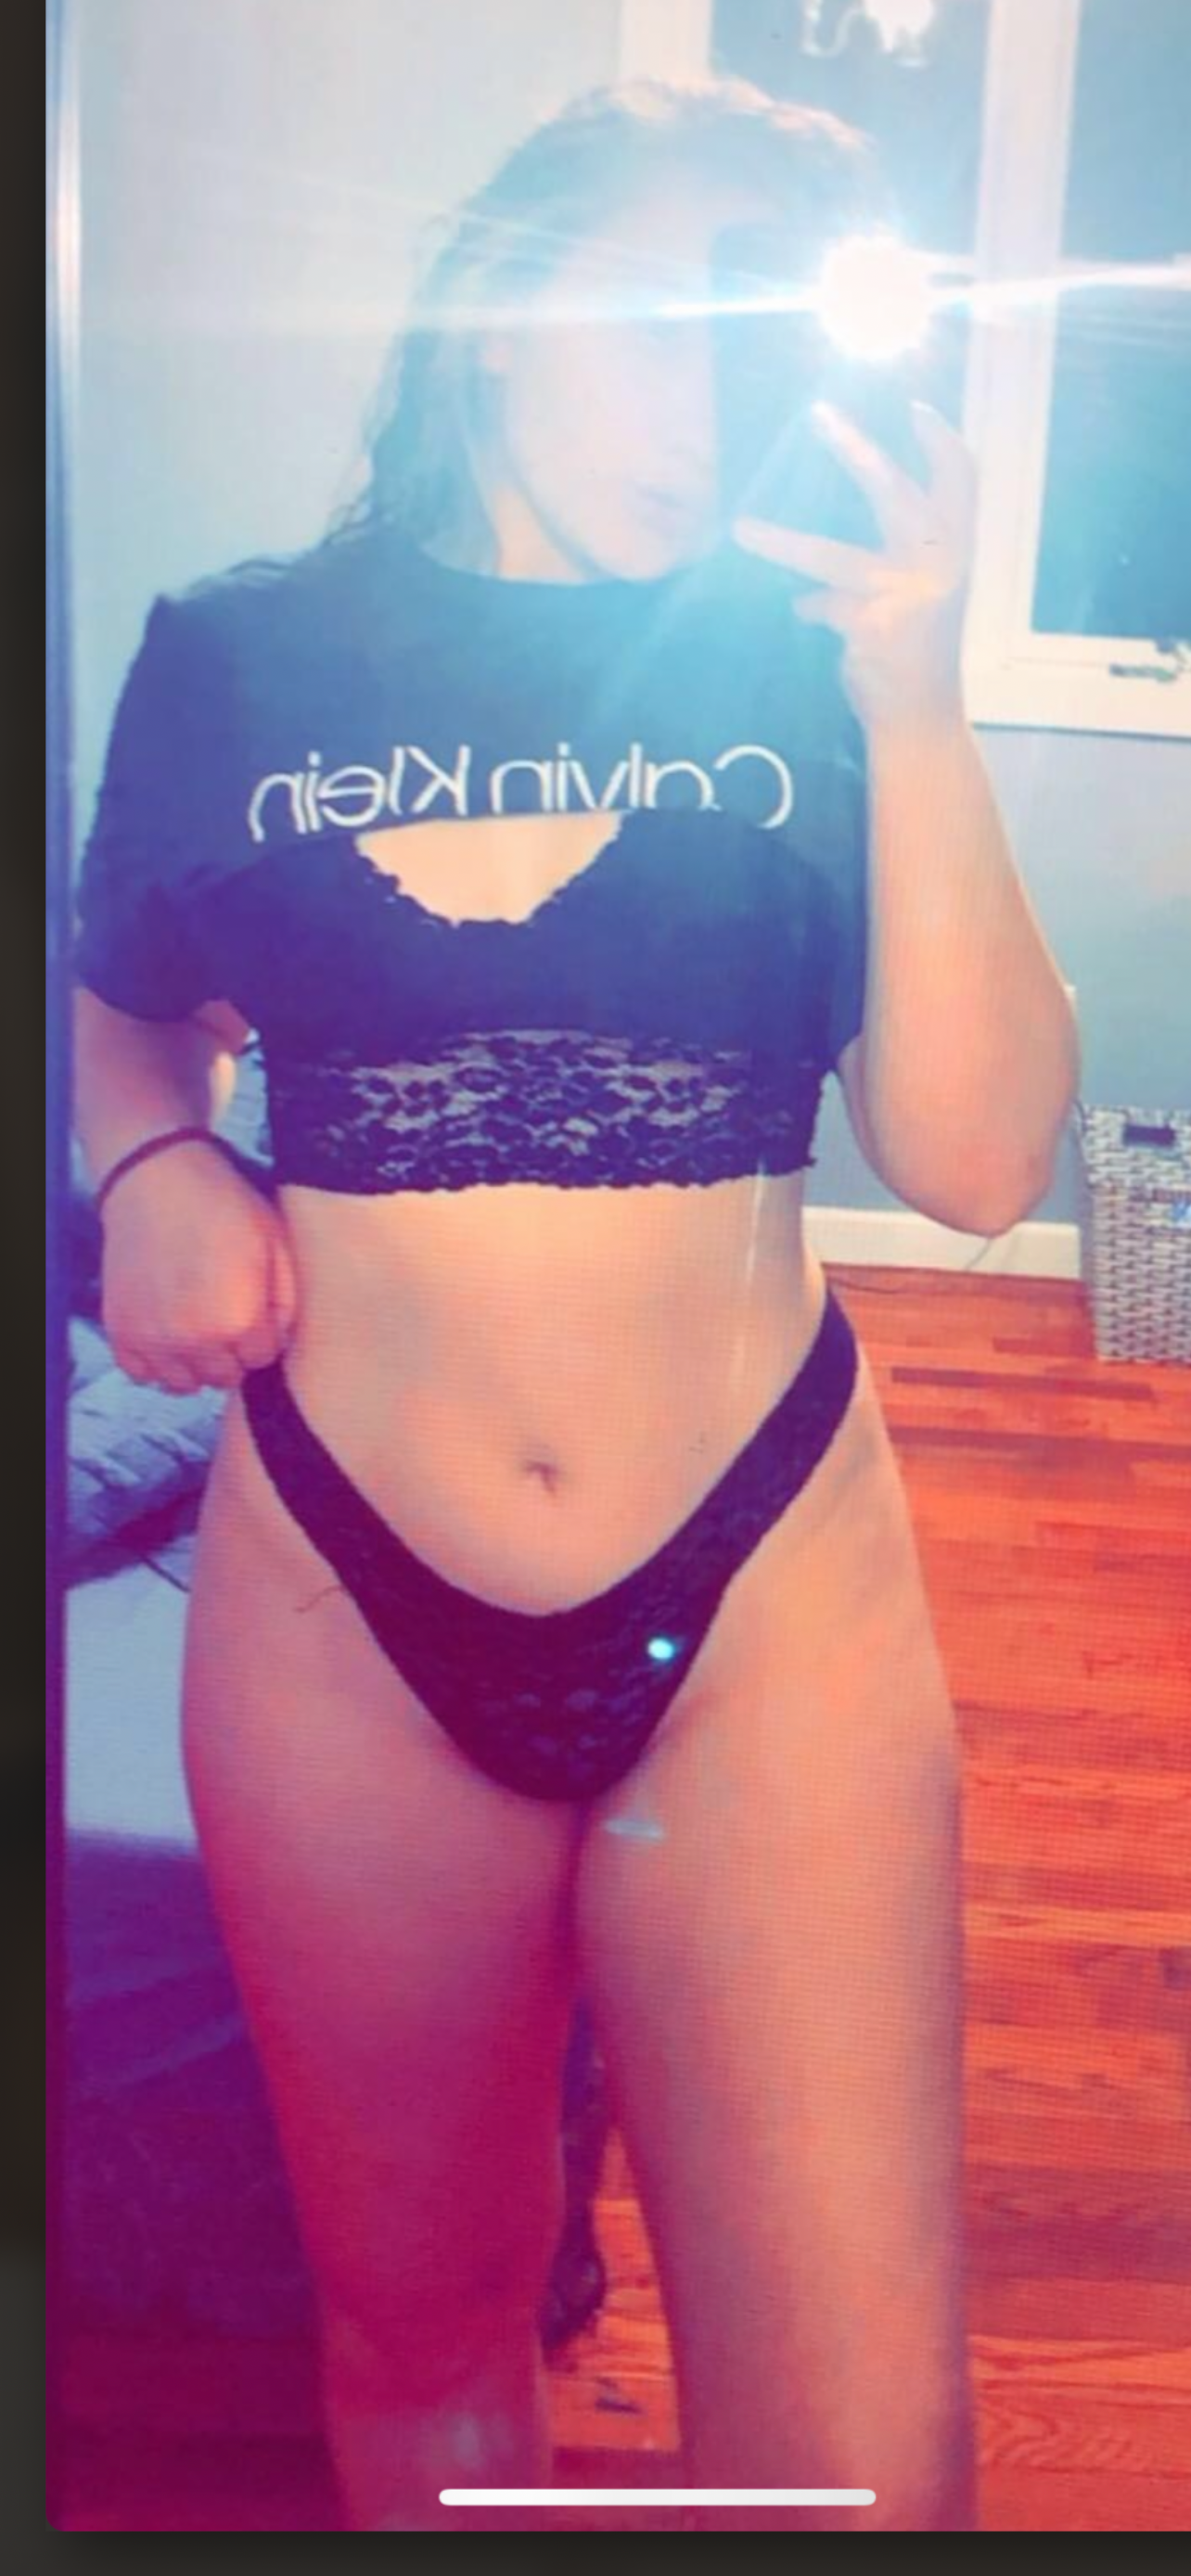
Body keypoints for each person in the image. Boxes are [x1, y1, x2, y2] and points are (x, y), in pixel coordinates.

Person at [72, 70, 1074, 2535]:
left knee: (867, 2466)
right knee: (424, 2339)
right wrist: (153, 1155)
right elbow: (127, 996)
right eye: (667, 322)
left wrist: (913, 689)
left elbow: (973, 1168)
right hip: (341, 1602)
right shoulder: (236, 653)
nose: (712, 413)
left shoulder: (814, 665)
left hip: (764, 1597)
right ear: (503, 309)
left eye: (768, 349)